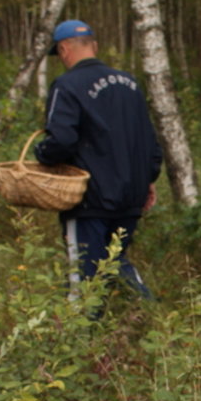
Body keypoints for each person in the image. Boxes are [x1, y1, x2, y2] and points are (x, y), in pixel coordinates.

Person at [35, 19, 162, 303]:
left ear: (64, 49)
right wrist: (148, 179)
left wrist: (42, 156)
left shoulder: (66, 85)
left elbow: (61, 140)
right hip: (131, 197)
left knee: (84, 273)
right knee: (115, 260)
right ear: (94, 46)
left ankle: (80, 339)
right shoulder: (129, 83)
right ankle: (152, 314)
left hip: (89, 200)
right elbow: (149, 140)